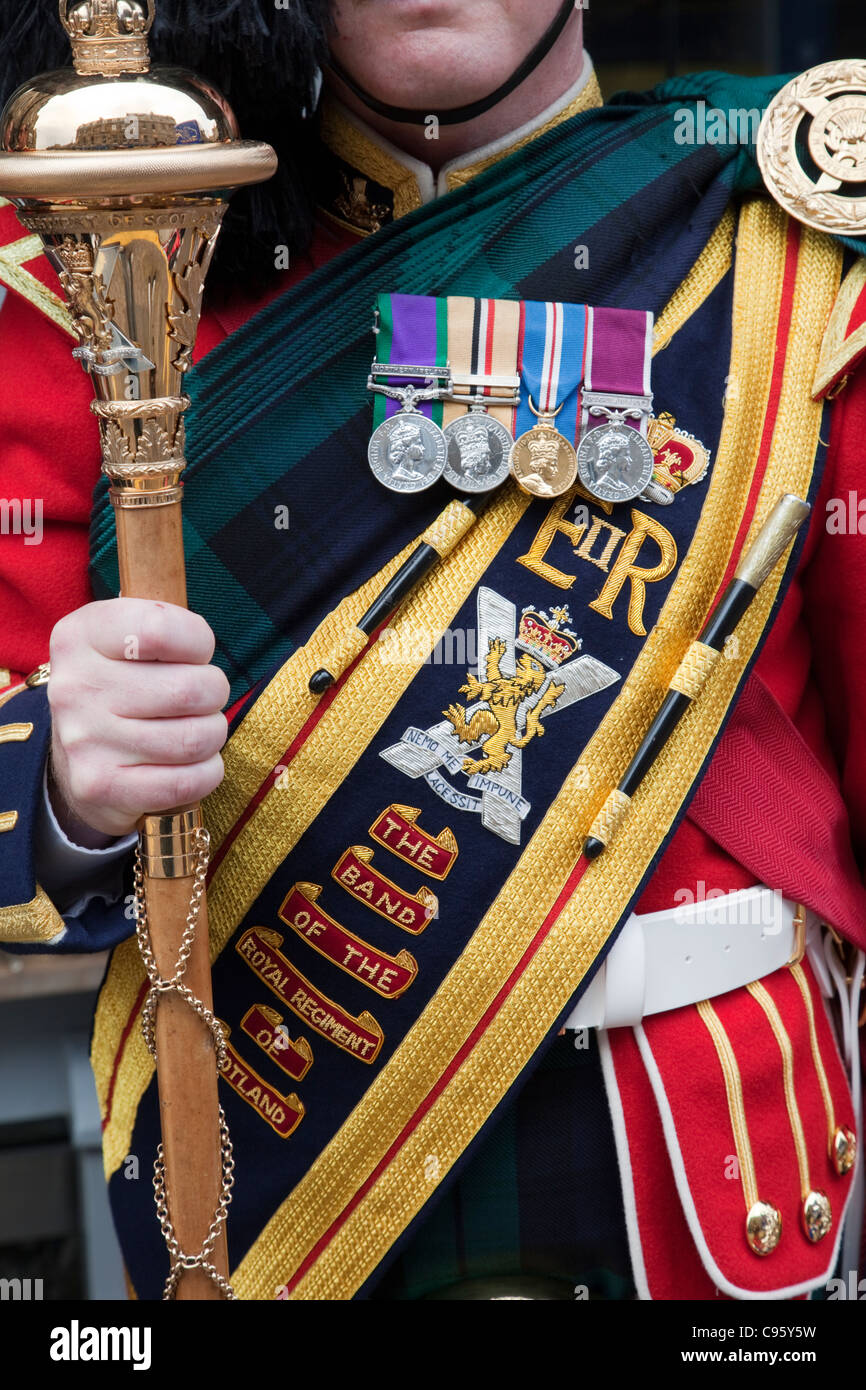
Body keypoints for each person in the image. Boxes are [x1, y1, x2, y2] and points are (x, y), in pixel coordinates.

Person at [0, 0, 864, 1303]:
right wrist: (64, 781)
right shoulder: (108, 248)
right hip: (280, 1175)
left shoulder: (787, 237)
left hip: (703, 1180)